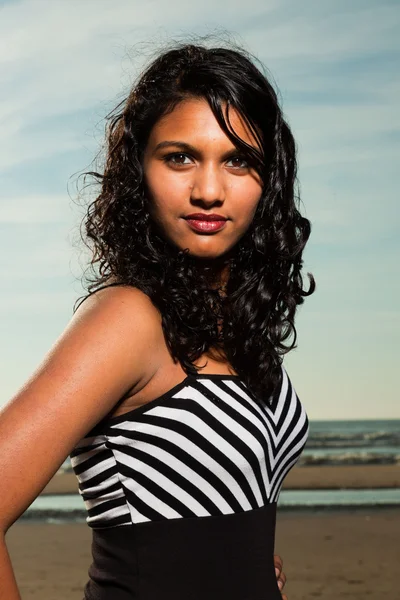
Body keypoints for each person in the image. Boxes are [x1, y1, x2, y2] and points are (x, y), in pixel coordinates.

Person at [0, 39, 315, 599]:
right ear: (137, 169)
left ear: (269, 180)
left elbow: (216, 503)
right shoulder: (129, 317)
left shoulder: (235, 326)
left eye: (238, 160)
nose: (209, 191)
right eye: (180, 157)